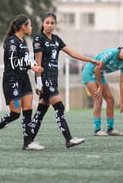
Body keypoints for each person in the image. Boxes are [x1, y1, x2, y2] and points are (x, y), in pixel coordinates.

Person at [29, 12, 98, 148]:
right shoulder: (39, 39)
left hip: (53, 79)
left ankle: (28, 140)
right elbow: (38, 63)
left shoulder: (56, 39)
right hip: (45, 78)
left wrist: (90, 60)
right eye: (47, 23)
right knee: (59, 106)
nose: (50, 25)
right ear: (43, 23)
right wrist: (38, 84)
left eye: (52, 23)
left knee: (41, 111)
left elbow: (72, 53)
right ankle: (69, 139)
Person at [0, 14, 44, 150]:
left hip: (24, 79)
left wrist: (37, 77)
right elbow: (13, 61)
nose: (31, 27)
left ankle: (28, 142)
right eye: (29, 25)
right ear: (23, 27)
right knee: (15, 113)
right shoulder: (12, 42)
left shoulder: (22, 42)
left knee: (28, 109)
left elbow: (28, 61)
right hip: (12, 80)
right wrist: (32, 66)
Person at [82, 42, 123, 136]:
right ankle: (97, 130)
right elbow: (97, 69)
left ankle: (110, 129)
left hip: (99, 75)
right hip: (90, 73)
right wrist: (100, 87)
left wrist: (122, 101)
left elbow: (122, 82)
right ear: (121, 49)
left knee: (110, 100)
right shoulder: (112, 53)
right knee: (98, 99)